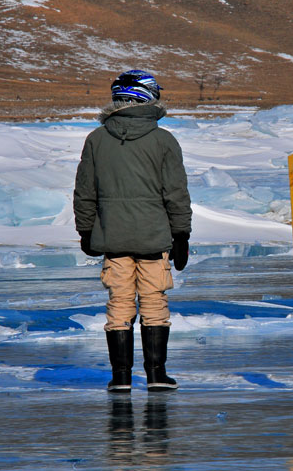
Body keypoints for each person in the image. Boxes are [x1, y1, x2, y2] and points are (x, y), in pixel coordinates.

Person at [73, 70, 191, 392]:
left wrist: (86, 231)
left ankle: (121, 378)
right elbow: (176, 193)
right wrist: (181, 235)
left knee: (119, 303)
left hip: (114, 237)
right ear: (147, 97)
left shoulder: (96, 140)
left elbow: (85, 192)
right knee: (154, 302)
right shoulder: (164, 140)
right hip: (155, 237)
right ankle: (156, 375)